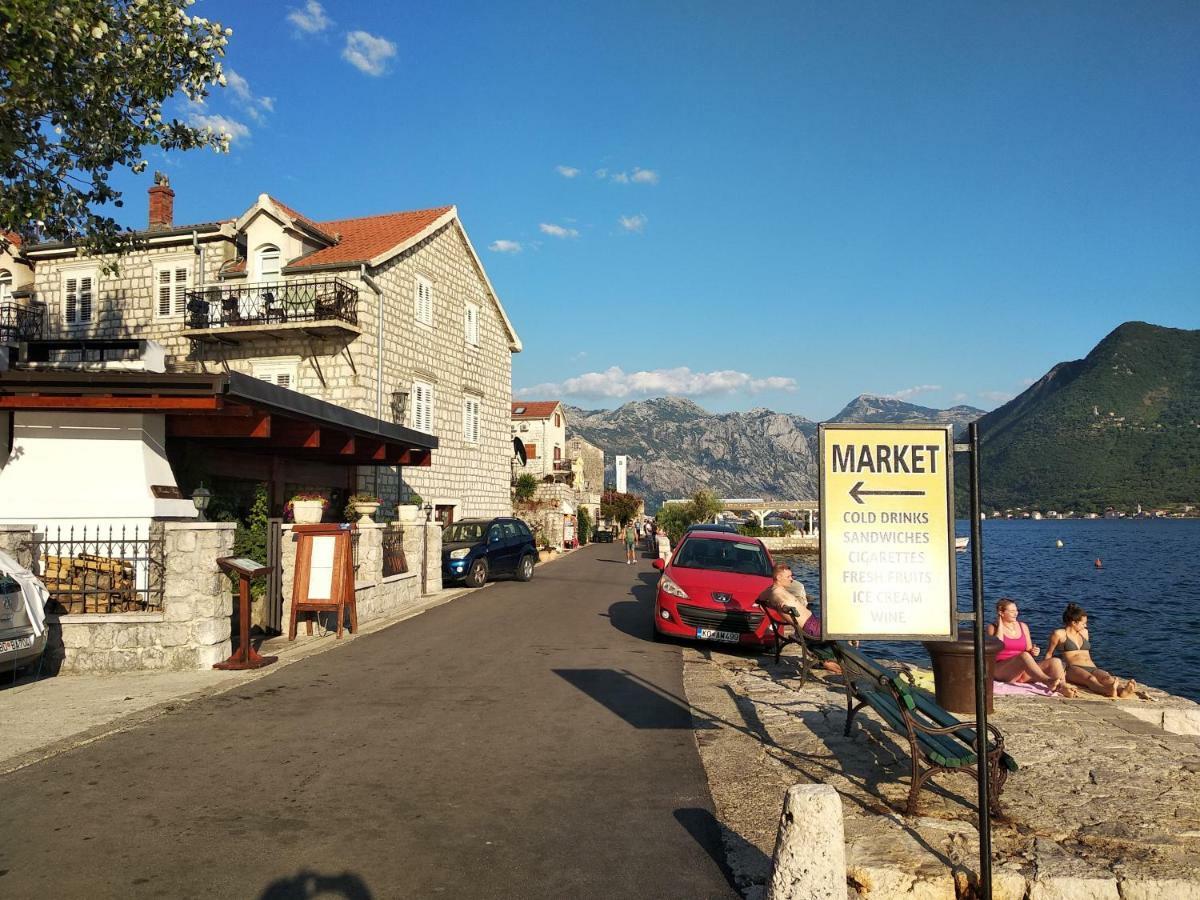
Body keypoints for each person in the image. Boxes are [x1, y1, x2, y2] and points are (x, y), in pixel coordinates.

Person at [756, 563, 842, 674]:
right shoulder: (777, 593)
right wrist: (781, 605)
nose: (791, 579)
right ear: (778, 577)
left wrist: (768, 605)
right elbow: (779, 600)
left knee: (839, 624)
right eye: (788, 577)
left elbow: (759, 598)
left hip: (811, 624)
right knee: (843, 627)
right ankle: (839, 664)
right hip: (810, 629)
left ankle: (832, 658)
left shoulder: (772, 589)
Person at [986, 598, 1076, 697]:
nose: (1016, 613)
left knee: (1055, 661)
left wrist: (1034, 651)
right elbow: (998, 645)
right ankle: (1047, 681)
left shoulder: (1023, 626)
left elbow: (1028, 650)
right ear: (1001, 612)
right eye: (1012, 611)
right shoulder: (992, 627)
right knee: (1023, 656)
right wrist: (1000, 624)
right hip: (1001, 670)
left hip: (1021, 672)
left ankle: (1062, 687)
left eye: (1016, 610)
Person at [1045, 602, 1137, 698]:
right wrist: (1047, 674)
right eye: (1083, 623)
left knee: (1107, 677)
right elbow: (1049, 654)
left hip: (1092, 667)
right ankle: (1107, 690)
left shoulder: (1084, 633)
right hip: (1073, 669)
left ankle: (1121, 691)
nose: (1086, 626)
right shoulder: (1059, 634)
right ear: (1074, 622)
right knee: (1090, 679)